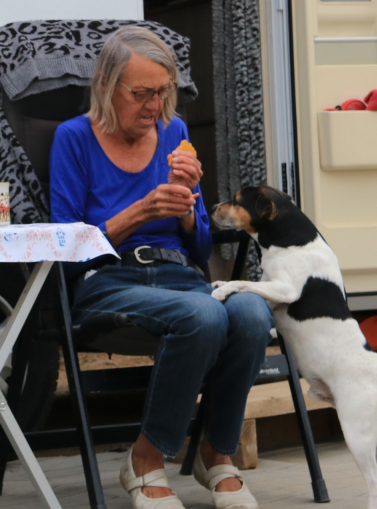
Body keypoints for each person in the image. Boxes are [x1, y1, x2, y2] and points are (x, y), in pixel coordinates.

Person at [49, 26, 269, 509]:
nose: (154, 106)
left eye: (163, 91)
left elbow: (200, 247)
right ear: (107, 85)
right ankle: (146, 459)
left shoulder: (175, 133)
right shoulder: (73, 139)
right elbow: (65, 248)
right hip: (107, 280)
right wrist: (139, 213)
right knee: (205, 316)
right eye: (142, 93)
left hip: (177, 274)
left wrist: (188, 210)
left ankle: (215, 451)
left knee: (253, 312)